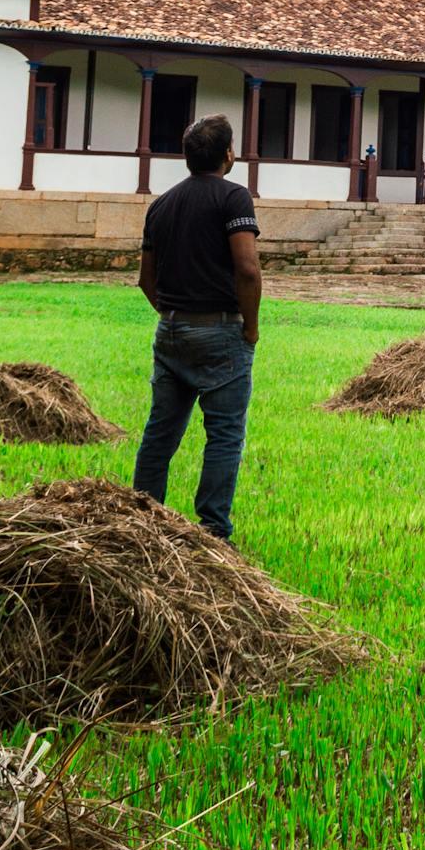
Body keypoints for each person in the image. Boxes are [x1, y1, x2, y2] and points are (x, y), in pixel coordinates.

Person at [133, 112, 262, 540]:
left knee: (160, 434)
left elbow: (145, 280)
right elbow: (247, 269)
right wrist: (251, 327)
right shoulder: (234, 198)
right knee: (224, 435)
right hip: (222, 332)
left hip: (170, 331)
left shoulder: (161, 204)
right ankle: (212, 532)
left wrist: (171, 315)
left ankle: (141, 522)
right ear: (228, 154)